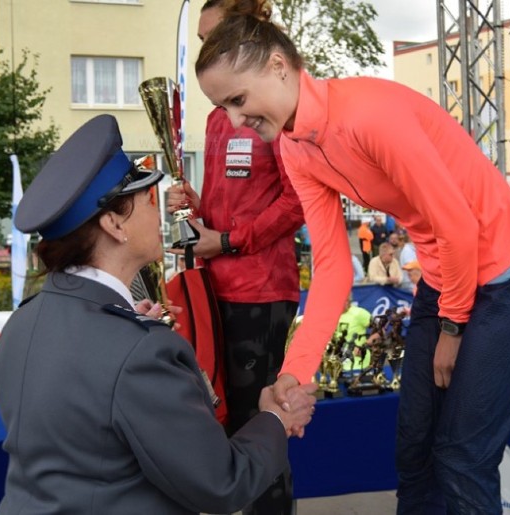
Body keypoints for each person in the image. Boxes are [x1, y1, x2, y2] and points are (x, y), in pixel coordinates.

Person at [196, 15, 510, 514]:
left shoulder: (368, 114)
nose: (235, 122)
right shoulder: (295, 147)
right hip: (446, 271)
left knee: (459, 459)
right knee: (412, 453)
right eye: (223, 107)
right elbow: (332, 267)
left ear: (278, 66)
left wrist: (452, 326)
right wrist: (295, 373)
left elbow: (455, 224)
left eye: (238, 100)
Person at [0, 114, 316, 515]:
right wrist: (274, 420)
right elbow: (222, 483)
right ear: (114, 224)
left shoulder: (22, 323)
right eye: (146, 197)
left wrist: (130, 326)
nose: (157, 209)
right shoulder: (140, 351)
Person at [166, 2, 306, 513]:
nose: (206, 47)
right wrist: (197, 208)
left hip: (262, 290)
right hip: (214, 288)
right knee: (221, 417)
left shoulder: (277, 105)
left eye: (214, 35)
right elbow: (229, 206)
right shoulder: (216, 117)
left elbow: (297, 201)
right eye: (200, 39)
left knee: (260, 423)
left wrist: (227, 242)